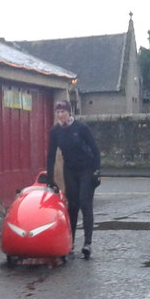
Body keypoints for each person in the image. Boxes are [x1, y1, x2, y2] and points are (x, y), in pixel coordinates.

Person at [46, 99, 101, 259]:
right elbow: (51, 154)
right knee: (72, 206)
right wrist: (49, 177)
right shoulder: (55, 131)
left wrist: (97, 170)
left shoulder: (81, 128)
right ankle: (69, 243)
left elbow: (95, 149)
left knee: (85, 203)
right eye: (58, 112)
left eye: (63, 111)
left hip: (86, 169)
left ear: (69, 112)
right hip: (69, 170)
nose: (61, 115)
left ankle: (88, 243)